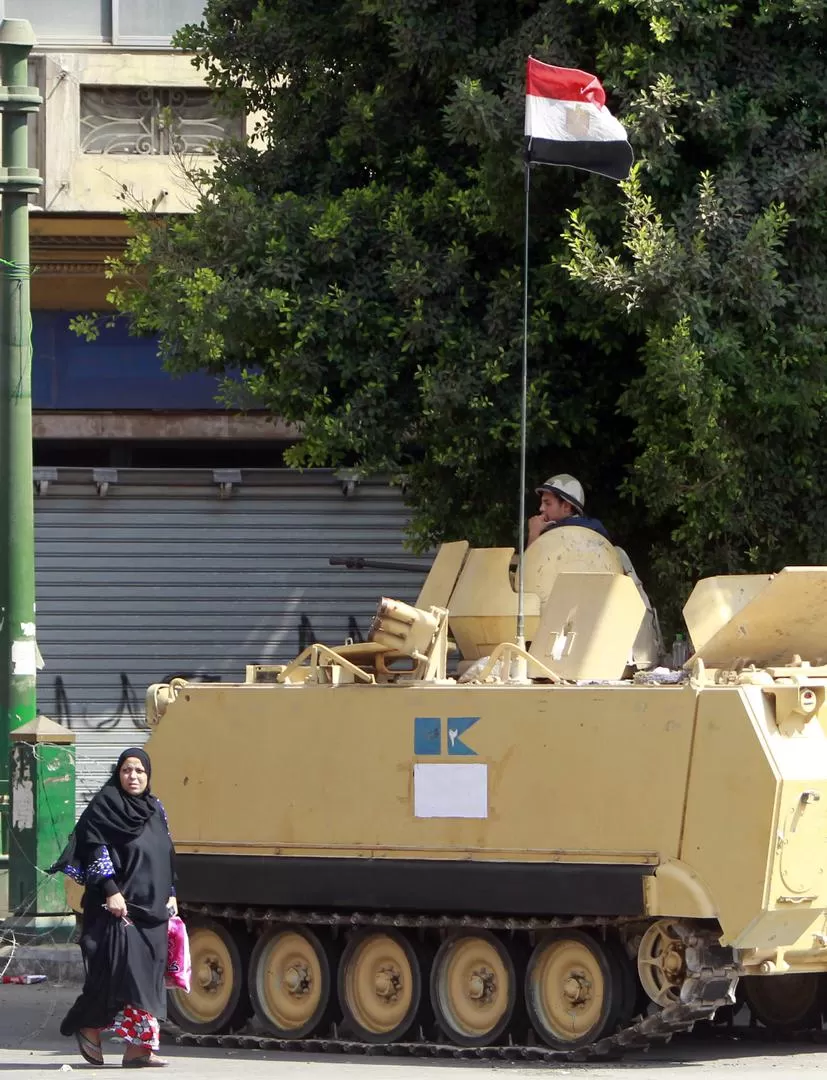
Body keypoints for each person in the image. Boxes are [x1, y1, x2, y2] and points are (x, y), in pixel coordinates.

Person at [50, 747, 176, 1069]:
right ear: (118, 774)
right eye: (126, 770)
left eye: (139, 771)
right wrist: (110, 891)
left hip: (153, 910)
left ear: (148, 776)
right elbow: (95, 850)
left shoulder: (155, 808)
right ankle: (89, 1027)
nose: (133, 777)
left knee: (147, 978)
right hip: (120, 908)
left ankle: (139, 1049)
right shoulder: (105, 806)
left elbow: (166, 852)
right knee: (120, 976)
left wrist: (172, 891)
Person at [527, 473, 610, 545]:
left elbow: (530, 563)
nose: (541, 508)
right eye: (542, 503)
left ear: (566, 506)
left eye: (548, 503)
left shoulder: (556, 537)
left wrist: (534, 533)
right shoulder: (596, 530)